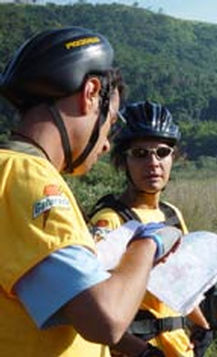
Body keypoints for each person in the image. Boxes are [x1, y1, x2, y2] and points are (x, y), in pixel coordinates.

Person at [0, 27, 174, 356]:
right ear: (90, 93)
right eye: (107, 121)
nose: (106, 143)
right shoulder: (26, 177)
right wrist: (148, 243)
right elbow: (105, 317)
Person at [88, 101, 212, 357]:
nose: (154, 163)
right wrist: (142, 352)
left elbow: (181, 284)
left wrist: (202, 325)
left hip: (178, 348)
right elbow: (94, 309)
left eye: (163, 152)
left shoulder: (171, 214)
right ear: (123, 162)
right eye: (140, 154)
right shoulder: (110, 221)